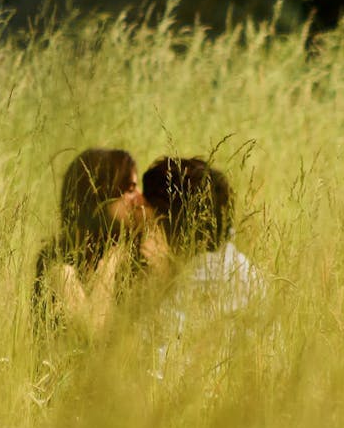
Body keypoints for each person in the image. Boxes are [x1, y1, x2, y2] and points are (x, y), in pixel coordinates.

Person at [141, 156, 266, 380]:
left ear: (165, 219)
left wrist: (159, 280)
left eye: (148, 216)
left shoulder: (193, 285)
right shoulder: (243, 268)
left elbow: (156, 372)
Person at [33, 148, 149, 340]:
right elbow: (92, 335)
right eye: (129, 189)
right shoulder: (59, 266)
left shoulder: (131, 258)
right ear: (100, 196)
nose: (139, 197)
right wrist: (112, 258)